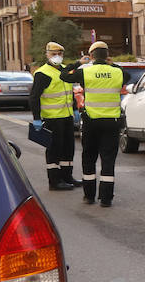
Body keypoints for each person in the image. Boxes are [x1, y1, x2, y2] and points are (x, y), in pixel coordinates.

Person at [62, 41, 126, 207]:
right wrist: (112, 64)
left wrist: (79, 63)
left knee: (89, 158)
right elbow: (127, 76)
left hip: (91, 122)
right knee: (108, 160)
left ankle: (89, 196)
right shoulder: (117, 72)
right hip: (111, 123)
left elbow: (63, 75)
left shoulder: (85, 72)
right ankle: (106, 199)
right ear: (107, 56)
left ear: (91, 56)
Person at [29, 41, 77, 191]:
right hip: (52, 118)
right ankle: (55, 181)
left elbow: (70, 93)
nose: (57, 56)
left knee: (69, 148)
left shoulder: (65, 70)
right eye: (54, 54)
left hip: (67, 117)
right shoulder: (42, 73)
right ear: (47, 55)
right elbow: (34, 97)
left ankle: (67, 177)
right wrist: (36, 117)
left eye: (60, 54)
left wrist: (74, 109)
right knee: (54, 149)